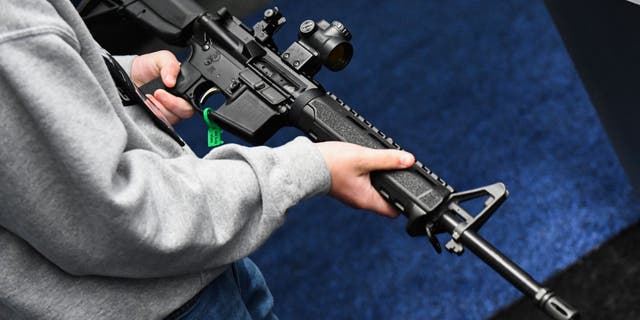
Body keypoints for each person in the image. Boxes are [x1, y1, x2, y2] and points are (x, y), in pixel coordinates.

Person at [0, 0, 415, 319]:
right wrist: (310, 169)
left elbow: (38, 90)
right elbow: (121, 217)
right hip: (150, 302)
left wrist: (119, 80)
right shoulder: (13, 29)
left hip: (193, 274)